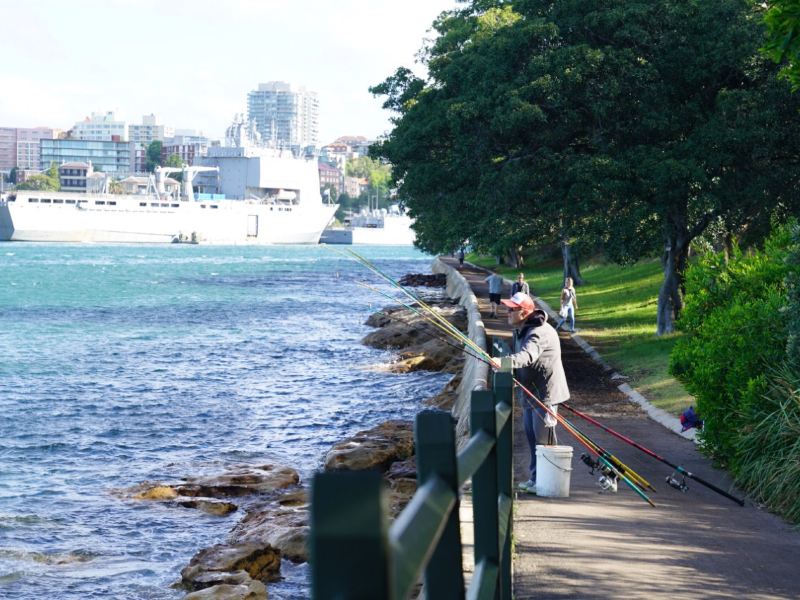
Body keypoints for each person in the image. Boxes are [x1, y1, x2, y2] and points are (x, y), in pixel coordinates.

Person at [500, 292, 570, 494]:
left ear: (524, 312)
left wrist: (503, 363)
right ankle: (536, 479)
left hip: (545, 395)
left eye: (511, 309)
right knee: (532, 437)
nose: (507, 312)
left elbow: (526, 356)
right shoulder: (523, 328)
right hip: (531, 392)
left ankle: (548, 484)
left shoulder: (537, 332)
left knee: (543, 440)